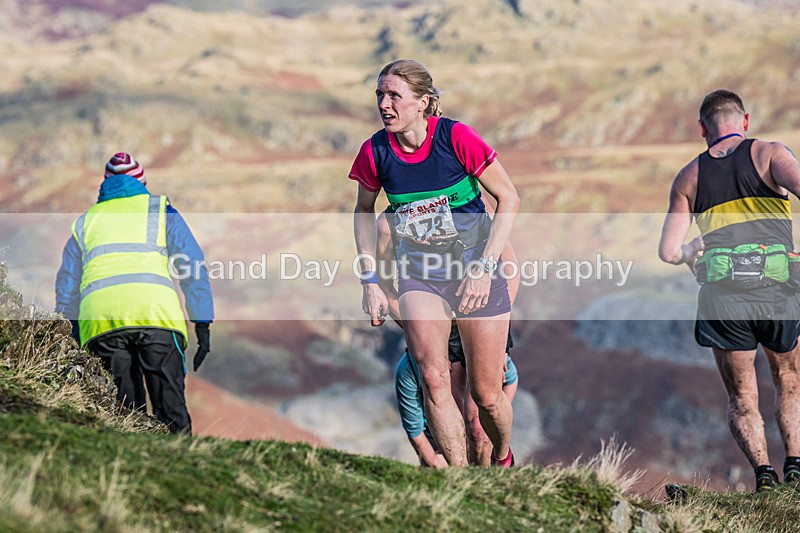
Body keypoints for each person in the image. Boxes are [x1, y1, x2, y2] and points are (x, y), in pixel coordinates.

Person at [351, 58, 520, 467]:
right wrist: (370, 280)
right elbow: (362, 212)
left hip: (474, 274)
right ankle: (460, 483)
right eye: (380, 96)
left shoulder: (455, 138)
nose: (384, 105)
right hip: (420, 277)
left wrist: (484, 268)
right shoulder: (375, 151)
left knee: (486, 395)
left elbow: (509, 199)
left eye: (394, 95)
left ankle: (501, 459)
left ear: (424, 102)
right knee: (433, 379)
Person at [659, 90, 800, 492]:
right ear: (745, 121)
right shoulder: (771, 154)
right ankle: (795, 466)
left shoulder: (689, 177)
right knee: (789, 378)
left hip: (724, 300)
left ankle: (764, 476)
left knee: (742, 396)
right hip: (778, 292)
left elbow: (669, 250)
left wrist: (690, 254)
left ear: (702, 128)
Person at [55, 152, 214, 434]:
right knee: (171, 409)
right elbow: (192, 266)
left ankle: (127, 474)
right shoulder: (160, 210)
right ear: (142, 183)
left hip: (101, 323)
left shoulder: (85, 223)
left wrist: (75, 338)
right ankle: (181, 470)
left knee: (124, 415)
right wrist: (202, 323)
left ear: (105, 184)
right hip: (157, 318)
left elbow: (67, 288)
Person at [395, 327, 519, 468]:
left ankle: (486, 478)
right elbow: (415, 431)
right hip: (435, 436)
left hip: (474, 428)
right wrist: (434, 460)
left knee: (479, 431)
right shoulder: (409, 369)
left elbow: (510, 379)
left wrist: (494, 418)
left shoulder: (479, 355)